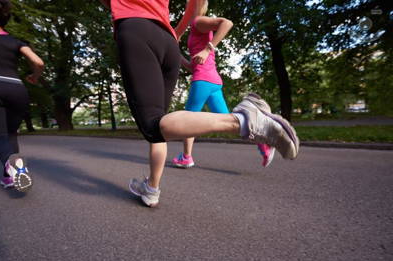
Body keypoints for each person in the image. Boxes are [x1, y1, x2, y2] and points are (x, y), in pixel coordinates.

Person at [98, 0, 299, 207]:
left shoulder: (200, 23)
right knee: (161, 125)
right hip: (167, 41)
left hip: (136, 28)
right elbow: (194, 2)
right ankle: (151, 188)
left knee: (153, 125)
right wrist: (176, 32)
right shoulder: (194, 23)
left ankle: (244, 120)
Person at [172, 1, 275, 169]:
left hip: (203, 80)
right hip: (211, 81)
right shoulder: (195, 26)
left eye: (189, 4)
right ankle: (263, 141)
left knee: (188, 119)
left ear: (196, 4)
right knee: (230, 123)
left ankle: (186, 156)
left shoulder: (198, 21)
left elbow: (227, 23)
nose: (186, 8)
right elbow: (193, 66)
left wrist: (208, 49)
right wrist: (176, 53)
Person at [0, 0, 44, 191]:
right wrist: (34, 77)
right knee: (10, 134)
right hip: (15, 88)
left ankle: (10, 162)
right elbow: (38, 62)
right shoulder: (14, 41)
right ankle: (11, 176)